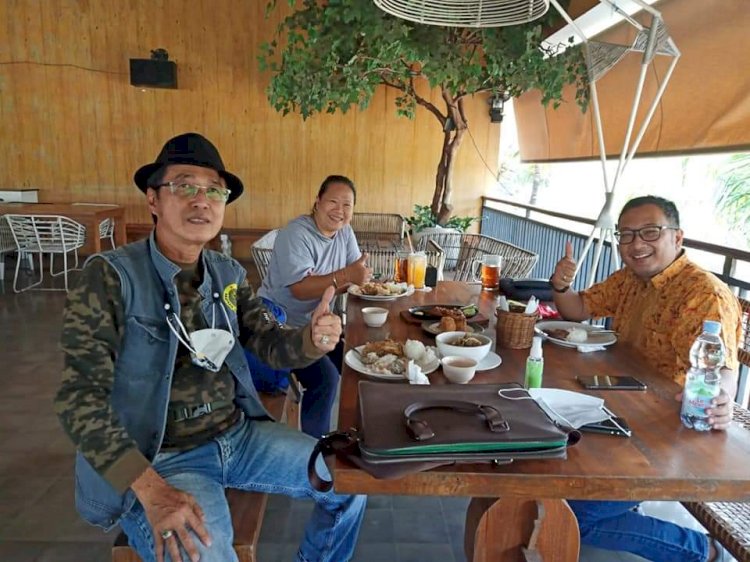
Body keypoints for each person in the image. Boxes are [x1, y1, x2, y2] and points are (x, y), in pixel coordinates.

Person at [54, 133, 366, 562]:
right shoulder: (111, 277)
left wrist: (311, 340)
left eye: (214, 190)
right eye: (184, 185)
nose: (202, 200)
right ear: (153, 199)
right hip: (162, 460)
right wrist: (151, 490)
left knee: (350, 483)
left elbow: (268, 344)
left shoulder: (227, 273)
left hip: (239, 436)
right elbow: (78, 398)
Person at [550, 195, 741, 562]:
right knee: (548, 454)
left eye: (650, 232)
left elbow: (721, 369)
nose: (636, 244)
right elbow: (579, 309)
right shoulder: (630, 278)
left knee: (574, 515)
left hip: (669, 432)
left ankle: (704, 551)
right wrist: (560, 286)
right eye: (626, 235)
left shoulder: (703, 294)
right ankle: (618, 506)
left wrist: (721, 399)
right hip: (622, 409)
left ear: (677, 237)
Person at [258, 175, 372, 438]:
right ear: (317, 202)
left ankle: (359, 432)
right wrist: (347, 276)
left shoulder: (345, 232)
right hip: (281, 325)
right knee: (326, 379)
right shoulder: (296, 234)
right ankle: (315, 447)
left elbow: (354, 273)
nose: (339, 210)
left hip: (318, 323)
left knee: (360, 360)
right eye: (333, 202)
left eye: (347, 205)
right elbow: (300, 289)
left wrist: (361, 278)